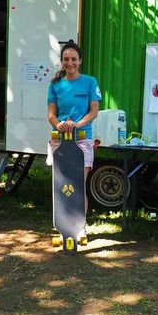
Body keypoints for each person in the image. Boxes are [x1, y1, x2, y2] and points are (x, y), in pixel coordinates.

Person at [47, 41, 101, 238]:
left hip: (82, 139)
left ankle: (79, 226)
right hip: (60, 140)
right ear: (61, 62)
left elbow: (94, 112)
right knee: (62, 186)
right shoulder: (54, 85)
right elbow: (51, 115)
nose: (70, 63)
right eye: (66, 59)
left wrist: (76, 125)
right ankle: (64, 228)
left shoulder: (89, 82)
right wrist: (59, 124)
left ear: (80, 61)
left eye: (73, 59)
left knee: (78, 184)